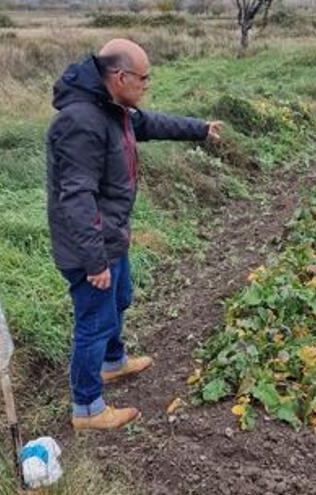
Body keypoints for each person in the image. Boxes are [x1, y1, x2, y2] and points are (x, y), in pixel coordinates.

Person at [46, 39, 221, 431]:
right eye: (143, 78)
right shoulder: (81, 122)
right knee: (93, 320)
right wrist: (94, 261)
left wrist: (200, 129)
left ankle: (113, 362)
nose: (147, 85)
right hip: (89, 246)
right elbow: (76, 197)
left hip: (111, 236)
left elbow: (150, 123)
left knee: (120, 299)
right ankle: (87, 408)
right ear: (120, 77)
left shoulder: (114, 109)